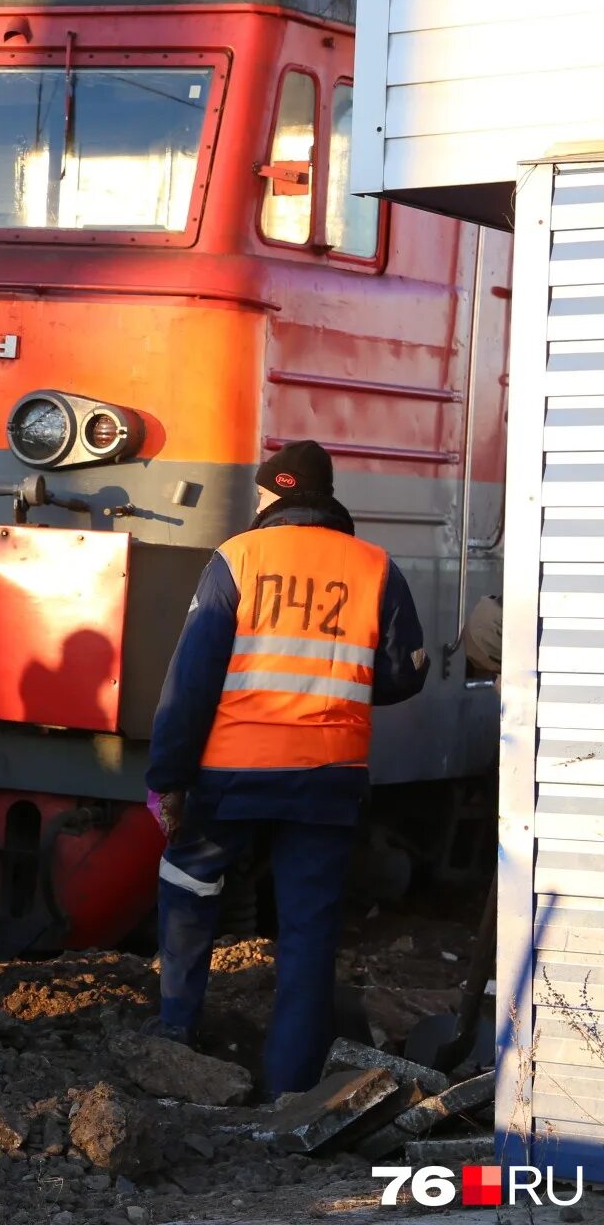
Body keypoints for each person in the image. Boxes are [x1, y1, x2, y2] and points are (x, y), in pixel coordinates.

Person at [145, 440, 429, 1097]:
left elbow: (191, 682)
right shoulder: (375, 567)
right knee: (309, 931)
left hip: (232, 772)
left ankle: (175, 1035)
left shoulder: (237, 558)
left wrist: (167, 779)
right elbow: (397, 676)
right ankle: (290, 1087)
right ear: (327, 499)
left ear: (273, 495)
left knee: (189, 891)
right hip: (328, 776)